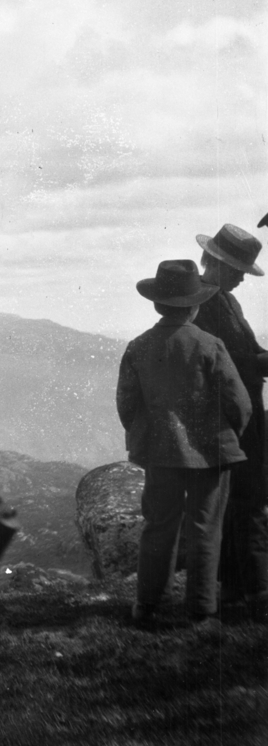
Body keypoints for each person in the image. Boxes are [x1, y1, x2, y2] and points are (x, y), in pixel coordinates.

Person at [116, 259, 251, 629]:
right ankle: (200, 610)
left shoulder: (138, 347)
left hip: (161, 452)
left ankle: (145, 606)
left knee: (158, 525)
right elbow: (239, 402)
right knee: (206, 527)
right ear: (195, 306)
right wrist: (230, 435)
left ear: (158, 304)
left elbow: (127, 404)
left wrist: (145, 437)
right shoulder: (210, 345)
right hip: (211, 454)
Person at [193, 223, 268, 622]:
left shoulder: (226, 301)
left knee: (245, 497)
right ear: (217, 263)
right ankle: (250, 591)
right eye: (238, 269)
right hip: (230, 418)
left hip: (246, 412)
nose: (242, 277)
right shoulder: (204, 304)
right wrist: (259, 363)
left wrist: (261, 358)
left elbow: (248, 351)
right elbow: (225, 366)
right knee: (247, 497)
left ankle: (243, 589)